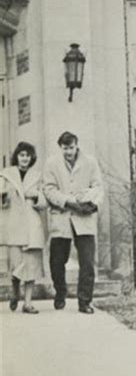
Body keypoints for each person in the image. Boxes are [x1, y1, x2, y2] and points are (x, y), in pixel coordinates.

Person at [43, 131, 104, 314]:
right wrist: (68, 201)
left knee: (87, 261)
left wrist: (90, 203)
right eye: (65, 148)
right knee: (56, 260)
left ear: (77, 145)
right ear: (60, 147)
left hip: (84, 218)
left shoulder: (90, 162)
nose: (68, 152)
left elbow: (98, 186)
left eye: (71, 147)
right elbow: (48, 189)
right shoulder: (52, 163)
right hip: (61, 218)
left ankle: (84, 301)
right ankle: (60, 292)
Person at [1, 142, 47, 314]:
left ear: (31, 158)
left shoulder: (37, 175)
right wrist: (4, 197)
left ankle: (27, 303)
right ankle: (15, 292)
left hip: (32, 225)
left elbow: (45, 201)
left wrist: (36, 196)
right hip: (14, 225)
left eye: (28, 155)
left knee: (32, 266)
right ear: (17, 157)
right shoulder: (6, 175)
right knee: (16, 266)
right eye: (22, 155)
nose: (25, 158)